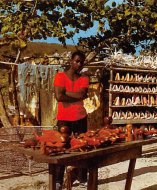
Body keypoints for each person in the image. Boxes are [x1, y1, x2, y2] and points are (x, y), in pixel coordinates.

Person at [53, 50, 89, 189]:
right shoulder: (60, 76)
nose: (79, 64)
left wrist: (66, 93)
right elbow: (59, 97)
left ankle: (82, 178)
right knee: (62, 148)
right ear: (71, 61)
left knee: (82, 147)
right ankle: (58, 180)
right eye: (77, 61)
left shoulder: (84, 78)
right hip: (64, 118)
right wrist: (77, 96)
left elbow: (82, 94)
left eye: (81, 62)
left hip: (80, 117)